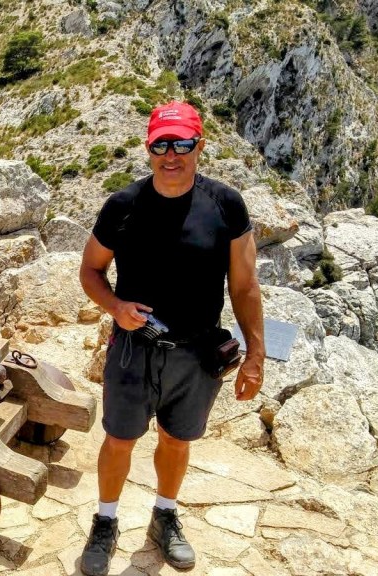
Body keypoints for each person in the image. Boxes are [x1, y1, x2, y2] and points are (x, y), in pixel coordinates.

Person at [76, 101, 265, 575]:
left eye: (182, 143)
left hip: (196, 353)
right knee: (119, 439)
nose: (171, 154)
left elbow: (244, 286)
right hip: (132, 351)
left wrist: (255, 355)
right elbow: (91, 270)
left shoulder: (225, 205)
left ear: (199, 145)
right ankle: (106, 521)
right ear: (149, 148)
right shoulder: (123, 206)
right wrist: (116, 308)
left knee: (177, 440)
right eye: (161, 144)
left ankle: (165, 514)